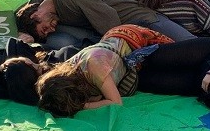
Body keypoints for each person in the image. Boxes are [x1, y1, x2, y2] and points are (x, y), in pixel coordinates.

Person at [36, 25, 174, 116]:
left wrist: (83, 106)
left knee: (173, 60)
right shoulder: (67, 71)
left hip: (130, 38)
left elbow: (115, 102)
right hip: (109, 44)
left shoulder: (94, 69)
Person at [16, 0, 195, 46]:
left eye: (45, 28)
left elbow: (110, 19)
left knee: (191, 44)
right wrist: (17, 34)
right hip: (130, 28)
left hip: (143, 20)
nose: (51, 29)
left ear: (36, 16)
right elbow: (17, 13)